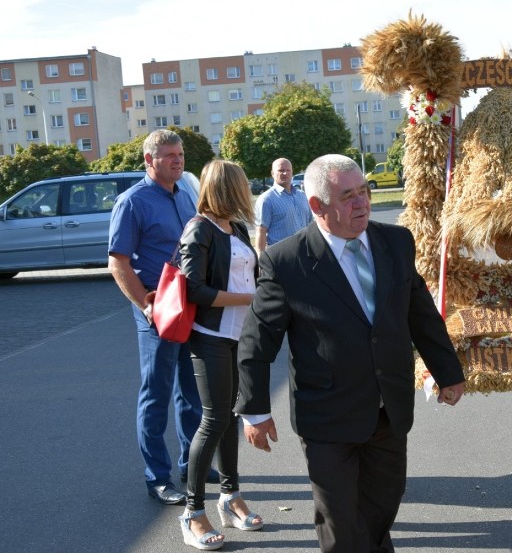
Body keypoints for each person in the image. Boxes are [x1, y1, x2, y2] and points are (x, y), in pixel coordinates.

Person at [235, 154, 466, 552]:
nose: (361, 203)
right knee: (341, 525)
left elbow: (420, 312)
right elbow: (258, 340)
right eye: (348, 196)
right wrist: (255, 410)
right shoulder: (286, 261)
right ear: (317, 206)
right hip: (327, 416)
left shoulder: (395, 242)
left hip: (387, 409)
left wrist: (448, 371)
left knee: (380, 512)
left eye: (364, 192)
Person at [108, 129, 208, 505]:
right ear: (149, 160)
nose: (178, 160)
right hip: (156, 307)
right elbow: (117, 262)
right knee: (156, 393)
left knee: (191, 390)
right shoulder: (132, 202)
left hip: (189, 303)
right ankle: (158, 477)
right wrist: (145, 305)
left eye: (180, 154)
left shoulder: (184, 196)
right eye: (169, 155)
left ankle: (192, 463)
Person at [177, 160, 263, 550]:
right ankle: (192, 513)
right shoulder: (199, 230)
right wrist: (252, 298)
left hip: (239, 336)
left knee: (231, 417)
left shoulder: (237, 227)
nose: (247, 191)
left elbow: (250, 274)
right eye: (242, 185)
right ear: (229, 188)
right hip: (210, 336)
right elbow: (195, 290)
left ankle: (231, 497)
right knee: (213, 421)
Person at [254, 157, 312, 252]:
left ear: (292, 172)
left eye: (288, 170)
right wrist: (261, 260)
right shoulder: (266, 199)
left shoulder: (302, 196)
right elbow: (261, 231)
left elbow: (310, 224)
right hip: (281, 255)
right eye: (281, 170)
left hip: (305, 253)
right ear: (272, 173)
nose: (285, 173)